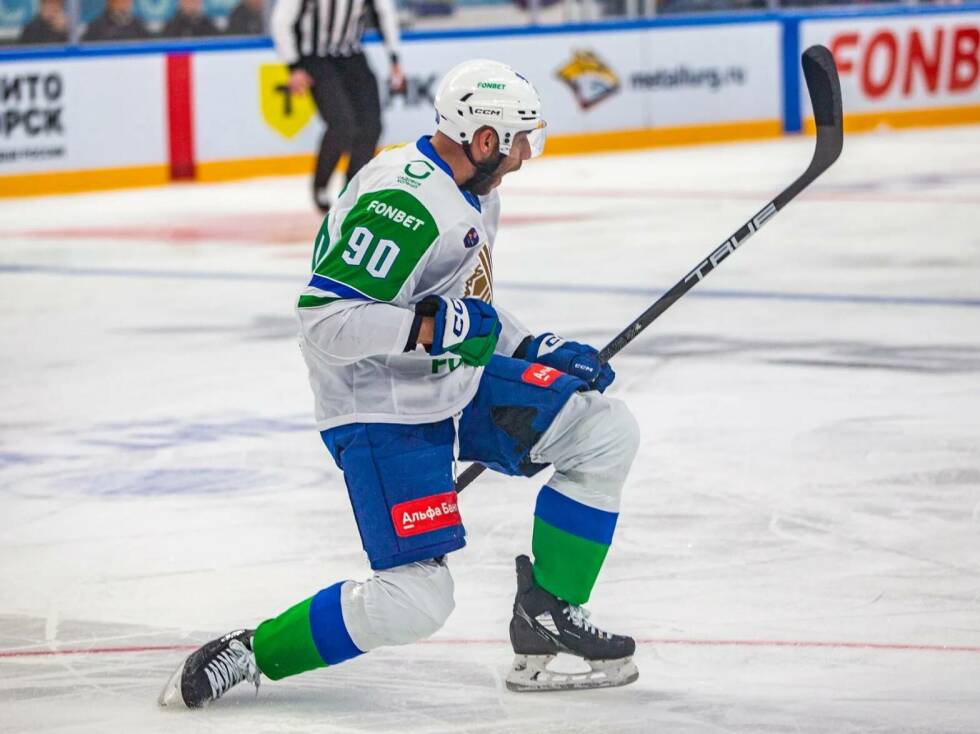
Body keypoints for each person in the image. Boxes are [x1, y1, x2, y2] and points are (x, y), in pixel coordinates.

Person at [158, 59, 641, 709]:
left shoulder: (474, 189)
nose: (528, 154)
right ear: (486, 139)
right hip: (380, 408)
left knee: (602, 431)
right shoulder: (405, 204)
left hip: (453, 383)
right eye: (522, 139)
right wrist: (430, 329)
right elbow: (326, 321)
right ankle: (254, 651)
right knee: (416, 599)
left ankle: (548, 616)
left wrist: (531, 346)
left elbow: (461, 305)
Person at [270, 0, 406, 213]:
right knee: (341, 125)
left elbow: (385, 14)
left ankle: (353, 188)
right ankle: (321, 185)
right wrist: (294, 65)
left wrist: (395, 58)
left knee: (372, 126)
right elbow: (281, 21)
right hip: (315, 58)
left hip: (352, 56)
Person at [80, 0, 151, 41]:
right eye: (121, 1)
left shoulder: (138, 24)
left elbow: (149, 44)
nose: (125, 3)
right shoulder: (96, 26)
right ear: (110, 2)